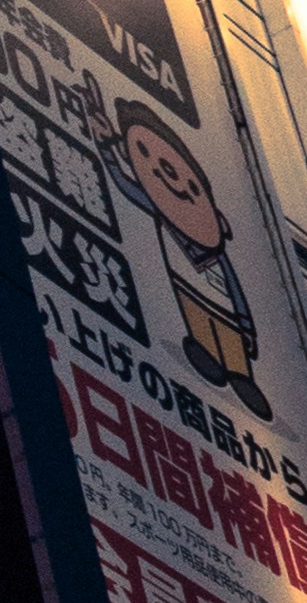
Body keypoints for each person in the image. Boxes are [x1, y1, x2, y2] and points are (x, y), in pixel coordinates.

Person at [102, 101, 272, 418]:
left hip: (216, 296)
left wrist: (247, 325)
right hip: (186, 287)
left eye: (191, 185)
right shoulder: (162, 214)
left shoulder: (216, 250)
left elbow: (235, 288)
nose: (172, 180)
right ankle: (206, 354)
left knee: (231, 342)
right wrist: (108, 148)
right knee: (199, 326)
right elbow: (126, 185)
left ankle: (240, 375)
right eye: (145, 157)